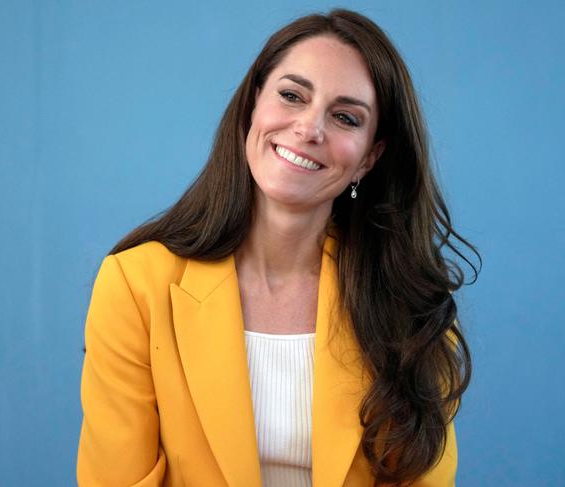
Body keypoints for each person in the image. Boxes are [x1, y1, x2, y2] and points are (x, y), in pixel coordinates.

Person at [76, 8, 480, 487]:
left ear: (369, 157)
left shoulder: (411, 305)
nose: (310, 129)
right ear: (253, 106)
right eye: (292, 95)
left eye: (346, 117)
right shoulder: (135, 285)